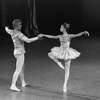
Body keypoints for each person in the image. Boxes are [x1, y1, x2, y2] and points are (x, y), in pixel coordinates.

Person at [41, 23, 89, 92]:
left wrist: (84, 32)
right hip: (61, 50)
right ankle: (59, 63)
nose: (60, 28)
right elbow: (51, 37)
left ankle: (65, 85)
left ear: (64, 29)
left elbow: (77, 35)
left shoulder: (69, 36)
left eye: (61, 27)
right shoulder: (60, 36)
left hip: (67, 52)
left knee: (67, 69)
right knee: (50, 54)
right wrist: (44, 35)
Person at [5, 19, 42, 92]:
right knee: (18, 69)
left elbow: (7, 30)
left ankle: (23, 82)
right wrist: (37, 37)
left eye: (21, 24)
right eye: (19, 25)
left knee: (22, 67)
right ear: (16, 26)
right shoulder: (19, 34)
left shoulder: (12, 31)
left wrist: (6, 27)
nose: (21, 26)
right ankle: (13, 85)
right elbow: (28, 40)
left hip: (16, 52)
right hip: (20, 53)